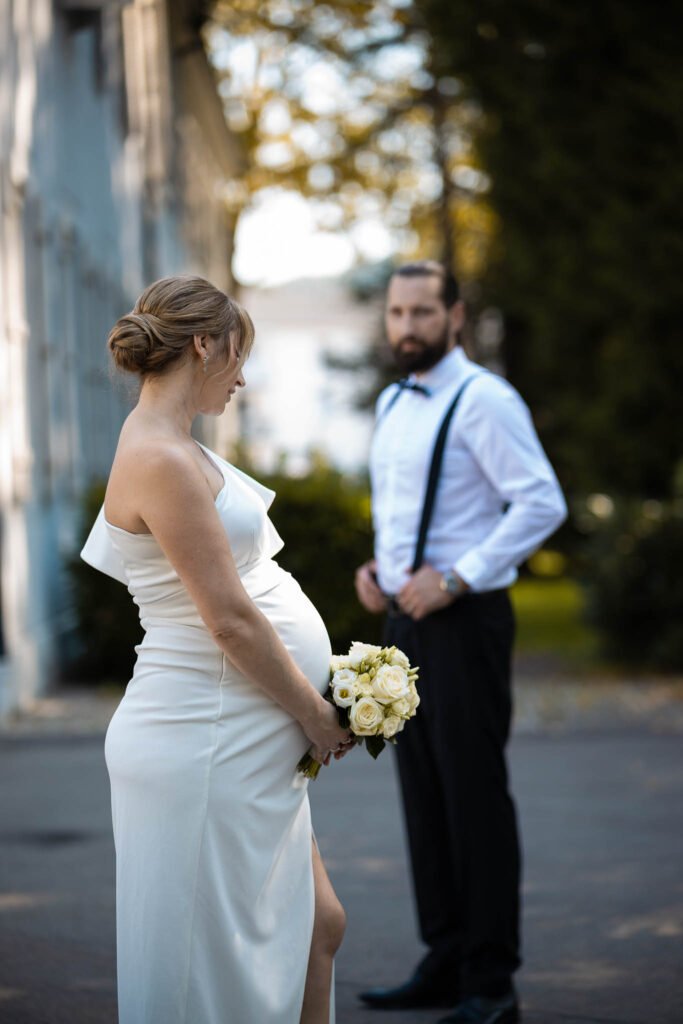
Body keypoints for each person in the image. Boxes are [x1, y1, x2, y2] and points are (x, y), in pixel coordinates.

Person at [80, 275, 355, 1024]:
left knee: (318, 927)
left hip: (240, 731)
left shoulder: (175, 444)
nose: (242, 375)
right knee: (202, 977)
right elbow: (227, 618)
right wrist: (316, 714)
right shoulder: (158, 458)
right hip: (202, 736)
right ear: (205, 343)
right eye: (239, 356)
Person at [354, 261, 567, 1024]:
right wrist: (379, 567)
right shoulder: (389, 399)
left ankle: (490, 982)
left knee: (472, 797)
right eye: (395, 313)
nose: (405, 327)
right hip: (402, 620)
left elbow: (541, 501)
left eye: (420, 312)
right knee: (422, 794)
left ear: (454, 315)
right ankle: (444, 958)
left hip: (464, 622)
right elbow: (405, 506)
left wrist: (459, 576)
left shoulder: (485, 399)